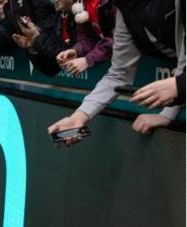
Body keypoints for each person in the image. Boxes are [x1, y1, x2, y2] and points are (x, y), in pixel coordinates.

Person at [48, 0, 185, 142]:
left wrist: (168, 113)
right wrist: (79, 116)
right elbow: (119, 74)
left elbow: (183, 65)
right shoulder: (124, 7)